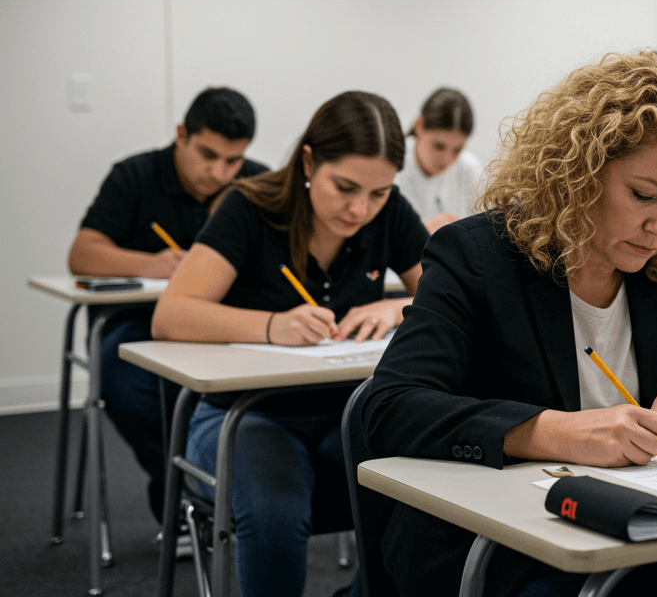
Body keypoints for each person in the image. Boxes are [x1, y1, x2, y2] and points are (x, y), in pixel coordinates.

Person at [362, 51, 657, 597]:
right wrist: (556, 432)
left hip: (636, 529)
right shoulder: (477, 256)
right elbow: (391, 407)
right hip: (498, 542)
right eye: (643, 195)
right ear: (578, 172)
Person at [151, 91, 428, 597]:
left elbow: (442, 298)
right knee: (275, 512)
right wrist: (272, 324)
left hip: (344, 411)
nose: (360, 209)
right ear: (308, 160)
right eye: (344, 187)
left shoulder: (386, 212)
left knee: (424, 488)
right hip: (245, 413)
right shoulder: (250, 206)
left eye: (379, 193)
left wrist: (396, 308)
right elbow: (172, 315)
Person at [67, 86, 268, 522]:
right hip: (136, 322)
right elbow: (82, 253)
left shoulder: (255, 182)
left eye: (232, 160)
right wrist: (151, 264)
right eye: (207, 155)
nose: (219, 172)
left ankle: (205, 491)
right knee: (125, 385)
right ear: (181, 135)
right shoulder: (135, 175)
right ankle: (187, 486)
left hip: (220, 324)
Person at [395, 86, 484, 233]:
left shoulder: (469, 168)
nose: (447, 159)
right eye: (439, 146)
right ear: (419, 125)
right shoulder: (390, 165)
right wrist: (422, 234)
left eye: (457, 150)